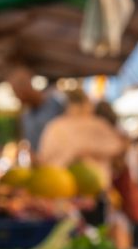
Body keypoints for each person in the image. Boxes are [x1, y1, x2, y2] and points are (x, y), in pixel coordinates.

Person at [38, 89, 126, 227]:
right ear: (86, 103)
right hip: (89, 194)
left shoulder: (55, 126)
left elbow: (43, 158)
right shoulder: (97, 125)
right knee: (95, 237)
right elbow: (119, 146)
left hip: (63, 196)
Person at [7, 68, 66, 152]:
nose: (17, 97)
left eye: (17, 92)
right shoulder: (25, 116)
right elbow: (27, 143)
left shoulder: (55, 104)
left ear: (26, 87)